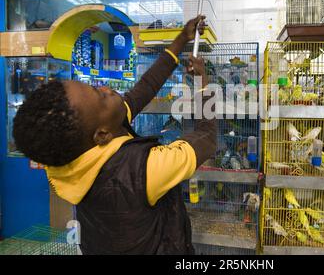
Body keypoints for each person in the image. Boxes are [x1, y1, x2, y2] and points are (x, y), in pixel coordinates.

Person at [12, 15, 217, 254]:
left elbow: (145, 88)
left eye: (95, 88)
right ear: (102, 135)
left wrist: (182, 38)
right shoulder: (145, 169)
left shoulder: (75, 157)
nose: (107, 89)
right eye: (100, 96)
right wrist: (203, 81)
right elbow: (207, 136)